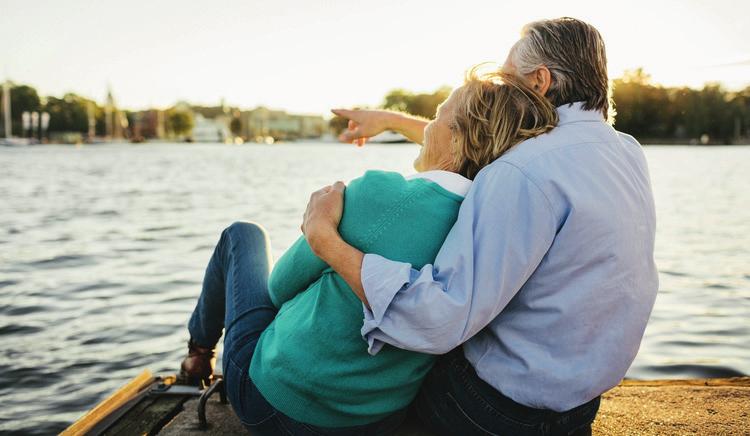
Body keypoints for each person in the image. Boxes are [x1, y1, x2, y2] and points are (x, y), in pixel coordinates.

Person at [302, 17, 659, 436]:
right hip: (580, 406)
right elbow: (483, 137)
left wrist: (326, 241)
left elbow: (440, 317)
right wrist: (390, 120)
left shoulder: (520, 171)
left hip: (498, 413)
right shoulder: (625, 151)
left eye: (508, 80)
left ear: (540, 82)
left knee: (385, 368)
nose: (498, 93)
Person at [179, 70, 558, 435]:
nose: (426, 127)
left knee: (243, 235)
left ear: (457, 139)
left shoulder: (379, 194)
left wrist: (320, 232)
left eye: (437, 117)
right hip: (377, 416)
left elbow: (278, 288)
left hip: (279, 408)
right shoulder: (487, 224)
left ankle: (198, 354)